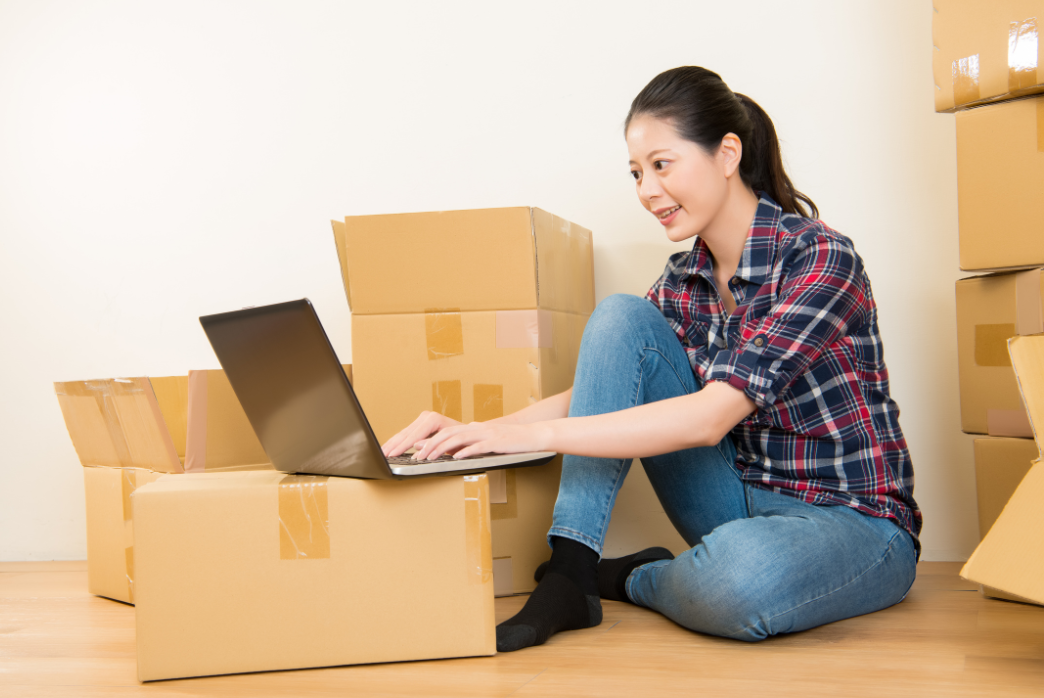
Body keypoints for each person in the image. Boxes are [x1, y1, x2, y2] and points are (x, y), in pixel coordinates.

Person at [381, 65, 921, 652]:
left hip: (852, 523)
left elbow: (709, 417)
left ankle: (632, 577)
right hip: (735, 496)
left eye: (662, 165)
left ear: (727, 154)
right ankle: (572, 569)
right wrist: (477, 431)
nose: (646, 191)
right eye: (637, 173)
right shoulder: (681, 280)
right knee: (619, 317)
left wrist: (519, 440)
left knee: (738, 581)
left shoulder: (819, 258)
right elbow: (604, 389)